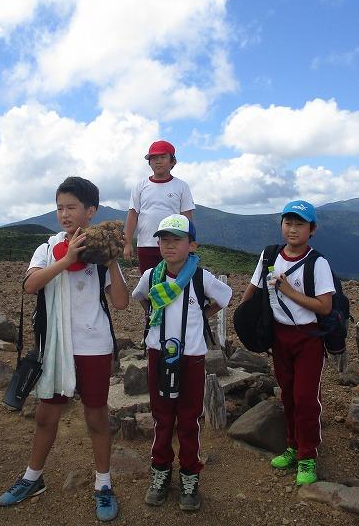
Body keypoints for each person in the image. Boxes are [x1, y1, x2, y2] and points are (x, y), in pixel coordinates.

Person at [0, 176, 130, 522]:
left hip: (94, 345)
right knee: (46, 415)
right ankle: (33, 478)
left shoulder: (100, 251)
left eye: (71, 207)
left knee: (96, 416)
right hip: (57, 346)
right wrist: (66, 258)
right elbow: (30, 285)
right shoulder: (48, 248)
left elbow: (120, 302)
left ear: (91, 211)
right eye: (59, 208)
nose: (64, 214)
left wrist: (111, 261)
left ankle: (103, 484)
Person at [131, 214, 232, 511]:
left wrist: (202, 315)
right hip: (158, 353)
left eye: (177, 240)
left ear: (192, 245)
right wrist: (154, 315)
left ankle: (190, 475)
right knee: (162, 416)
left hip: (191, 358)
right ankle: (160, 471)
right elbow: (141, 297)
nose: (169, 245)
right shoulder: (152, 276)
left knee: (189, 419)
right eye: (164, 240)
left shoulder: (201, 278)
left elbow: (224, 298)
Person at [239, 200, 335, 486]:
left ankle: (307, 456)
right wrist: (242, 318)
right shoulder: (270, 255)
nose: (293, 229)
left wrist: (289, 291)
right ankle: (293, 445)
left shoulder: (318, 263)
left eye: (300, 224)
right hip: (279, 336)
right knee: (288, 394)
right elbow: (253, 288)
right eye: (288, 223)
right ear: (281, 224)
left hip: (308, 338)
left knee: (306, 398)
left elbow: (325, 306)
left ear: (312, 229)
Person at [123, 140, 195, 273]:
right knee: (149, 280)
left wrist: (189, 243)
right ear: (149, 162)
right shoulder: (140, 186)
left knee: (174, 281)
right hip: (146, 244)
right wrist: (127, 243)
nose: (158, 161)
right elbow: (133, 215)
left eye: (163, 157)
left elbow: (187, 218)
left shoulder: (181, 186)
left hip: (173, 245)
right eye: (154, 158)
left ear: (172, 161)